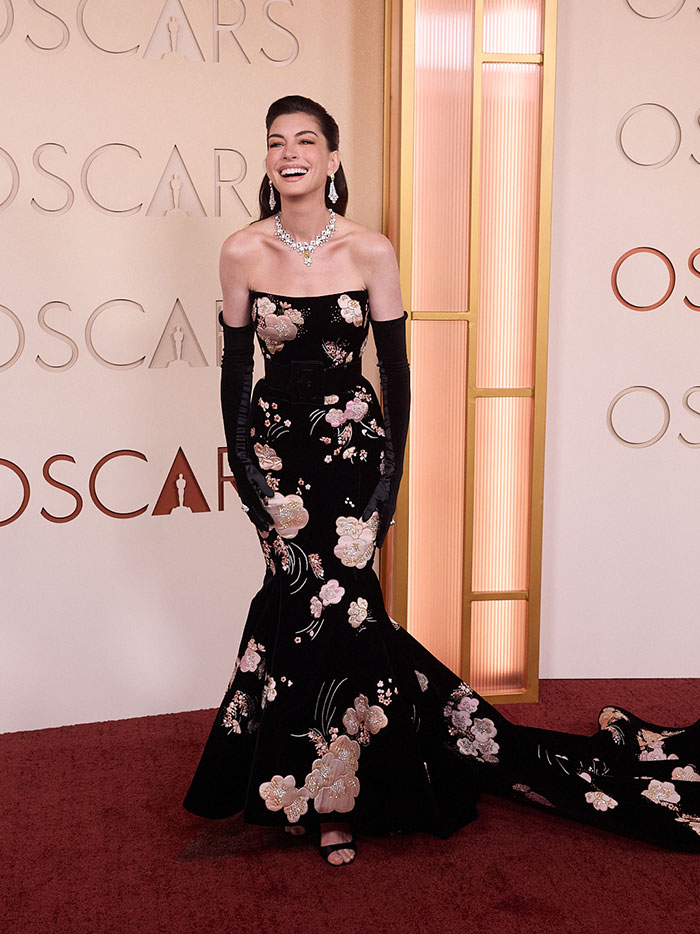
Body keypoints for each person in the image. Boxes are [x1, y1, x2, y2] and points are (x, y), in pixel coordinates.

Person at [183, 96, 700, 865]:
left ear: (331, 158)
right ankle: (312, 786)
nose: (289, 153)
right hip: (275, 460)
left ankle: (333, 800)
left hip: (355, 458)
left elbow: (395, 370)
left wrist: (388, 483)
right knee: (299, 609)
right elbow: (233, 376)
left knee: (350, 615)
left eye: (306, 142)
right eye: (275, 143)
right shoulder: (240, 252)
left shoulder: (370, 250)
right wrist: (246, 473)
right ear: (267, 161)